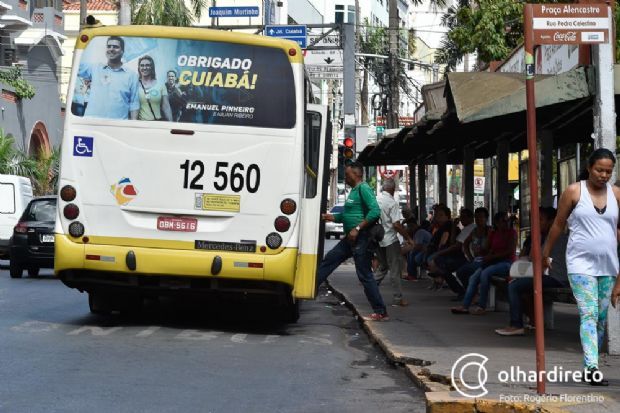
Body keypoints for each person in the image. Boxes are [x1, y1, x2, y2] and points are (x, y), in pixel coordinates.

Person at [542, 148, 620, 386]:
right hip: (580, 264)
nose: (603, 175)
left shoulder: (616, 194)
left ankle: (589, 366)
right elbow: (557, 225)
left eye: (608, 171)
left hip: (608, 266)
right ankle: (592, 367)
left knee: (600, 318)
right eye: (599, 170)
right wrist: (545, 253)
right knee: (588, 314)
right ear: (589, 167)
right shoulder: (574, 191)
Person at [317, 162, 389, 321]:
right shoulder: (353, 192)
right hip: (351, 238)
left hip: (362, 238)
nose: (346, 177)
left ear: (356, 175)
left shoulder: (363, 188)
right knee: (329, 260)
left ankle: (380, 311)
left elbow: (375, 211)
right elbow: (348, 215)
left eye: (348, 174)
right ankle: (309, 289)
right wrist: (332, 217)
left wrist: (357, 228)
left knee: (364, 275)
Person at [495, 207, 568, 336]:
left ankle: (516, 324)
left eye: (540, 219)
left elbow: (539, 260)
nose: (536, 223)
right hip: (545, 275)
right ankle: (534, 322)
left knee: (514, 286)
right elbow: (531, 258)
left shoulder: (557, 237)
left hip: (556, 277)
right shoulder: (543, 236)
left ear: (552, 221)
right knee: (519, 287)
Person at [451, 211, 516, 315]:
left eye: (506, 221)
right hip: (492, 261)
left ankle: (482, 306)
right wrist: (481, 251)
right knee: (474, 277)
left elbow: (509, 251)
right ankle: (465, 306)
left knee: (485, 273)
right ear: (497, 223)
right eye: (502, 221)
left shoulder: (512, 233)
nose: (505, 223)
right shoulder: (493, 233)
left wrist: (491, 256)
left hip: (506, 262)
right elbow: (486, 248)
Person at [78, 36, 140, 120]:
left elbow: (134, 104)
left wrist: (133, 127)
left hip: (117, 126)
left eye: (116, 47)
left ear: (122, 51)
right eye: (109, 46)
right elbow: (76, 67)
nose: (111, 49)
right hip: (91, 123)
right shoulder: (95, 68)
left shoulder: (132, 75)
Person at [374, 179, 412, 306]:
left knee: (383, 266)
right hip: (390, 240)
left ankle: (371, 289)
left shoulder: (375, 200)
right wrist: (408, 237)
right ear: (393, 188)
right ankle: (398, 298)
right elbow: (396, 225)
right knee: (395, 269)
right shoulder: (392, 203)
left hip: (378, 239)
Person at [428, 208, 475, 295]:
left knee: (443, 266)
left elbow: (456, 246)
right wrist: (454, 226)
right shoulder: (464, 229)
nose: (461, 219)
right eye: (461, 217)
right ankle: (440, 274)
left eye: (464, 217)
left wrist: (439, 253)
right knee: (440, 263)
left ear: (471, 218)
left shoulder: (470, 228)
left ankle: (460, 291)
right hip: (463, 257)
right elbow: (452, 242)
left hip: (466, 259)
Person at [137, 55, 172, 121]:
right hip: (141, 124)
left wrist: (171, 124)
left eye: (147, 65)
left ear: (152, 67)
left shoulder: (160, 85)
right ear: (139, 68)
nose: (144, 67)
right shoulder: (135, 85)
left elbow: (166, 107)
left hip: (157, 123)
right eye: (142, 65)